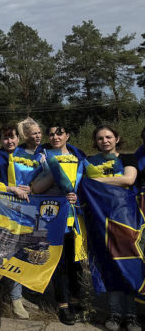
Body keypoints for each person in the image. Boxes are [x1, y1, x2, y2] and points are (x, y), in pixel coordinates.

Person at [0, 123, 42, 319]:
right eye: (6, 138)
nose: (10, 141)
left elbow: (40, 176)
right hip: (4, 210)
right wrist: (11, 189)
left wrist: (32, 188)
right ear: (1, 140)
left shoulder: (27, 155)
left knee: (24, 252)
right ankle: (14, 299)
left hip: (27, 211)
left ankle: (19, 295)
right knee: (10, 253)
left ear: (19, 138)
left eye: (13, 137)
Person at [84, 126, 139, 331]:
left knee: (128, 265)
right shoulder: (89, 161)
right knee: (110, 266)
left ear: (117, 138)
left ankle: (132, 315)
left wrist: (95, 181)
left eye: (108, 137)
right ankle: (115, 313)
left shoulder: (128, 158)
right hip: (100, 219)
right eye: (100, 138)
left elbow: (128, 179)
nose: (105, 141)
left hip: (126, 219)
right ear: (95, 141)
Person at [30, 125, 86, 325]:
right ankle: (62, 305)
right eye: (51, 134)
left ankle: (77, 300)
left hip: (75, 219)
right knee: (58, 263)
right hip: (51, 218)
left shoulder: (79, 157)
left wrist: (75, 194)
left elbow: (86, 186)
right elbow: (34, 187)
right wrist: (56, 174)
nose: (55, 137)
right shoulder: (42, 157)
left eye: (59, 133)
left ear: (67, 136)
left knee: (75, 263)